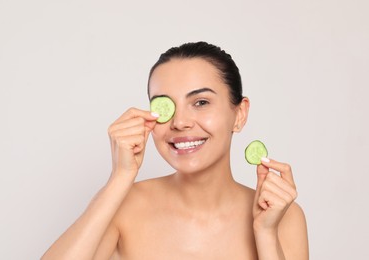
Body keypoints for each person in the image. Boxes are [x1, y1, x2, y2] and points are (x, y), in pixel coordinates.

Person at [42, 41, 309, 259]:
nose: (179, 122)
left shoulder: (283, 216)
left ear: (239, 114)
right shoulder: (126, 205)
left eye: (201, 102)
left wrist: (265, 234)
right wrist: (120, 178)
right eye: (164, 107)